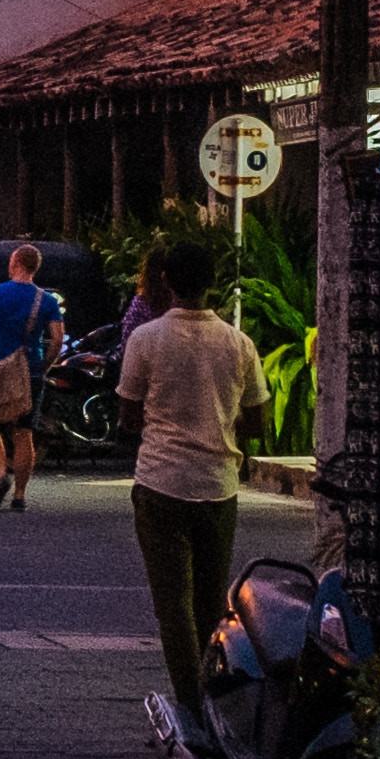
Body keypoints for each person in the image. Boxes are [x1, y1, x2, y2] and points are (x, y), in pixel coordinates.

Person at [114, 234, 263, 713]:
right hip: (218, 486)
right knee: (209, 600)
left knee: (172, 603)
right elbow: (256, 420)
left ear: (166, 280)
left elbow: (128, 414)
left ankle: (192, 704)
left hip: (161, 483)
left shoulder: (146, 339)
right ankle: (216, 699)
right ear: (212, 284)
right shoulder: (238, 343)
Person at [0, 242, 64, 512]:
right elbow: (57, 339)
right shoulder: (45, 300)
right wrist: (44, 365)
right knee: (24, 432)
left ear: (15, 264)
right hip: (29, 369)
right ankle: (20, 496)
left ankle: (1, 474)